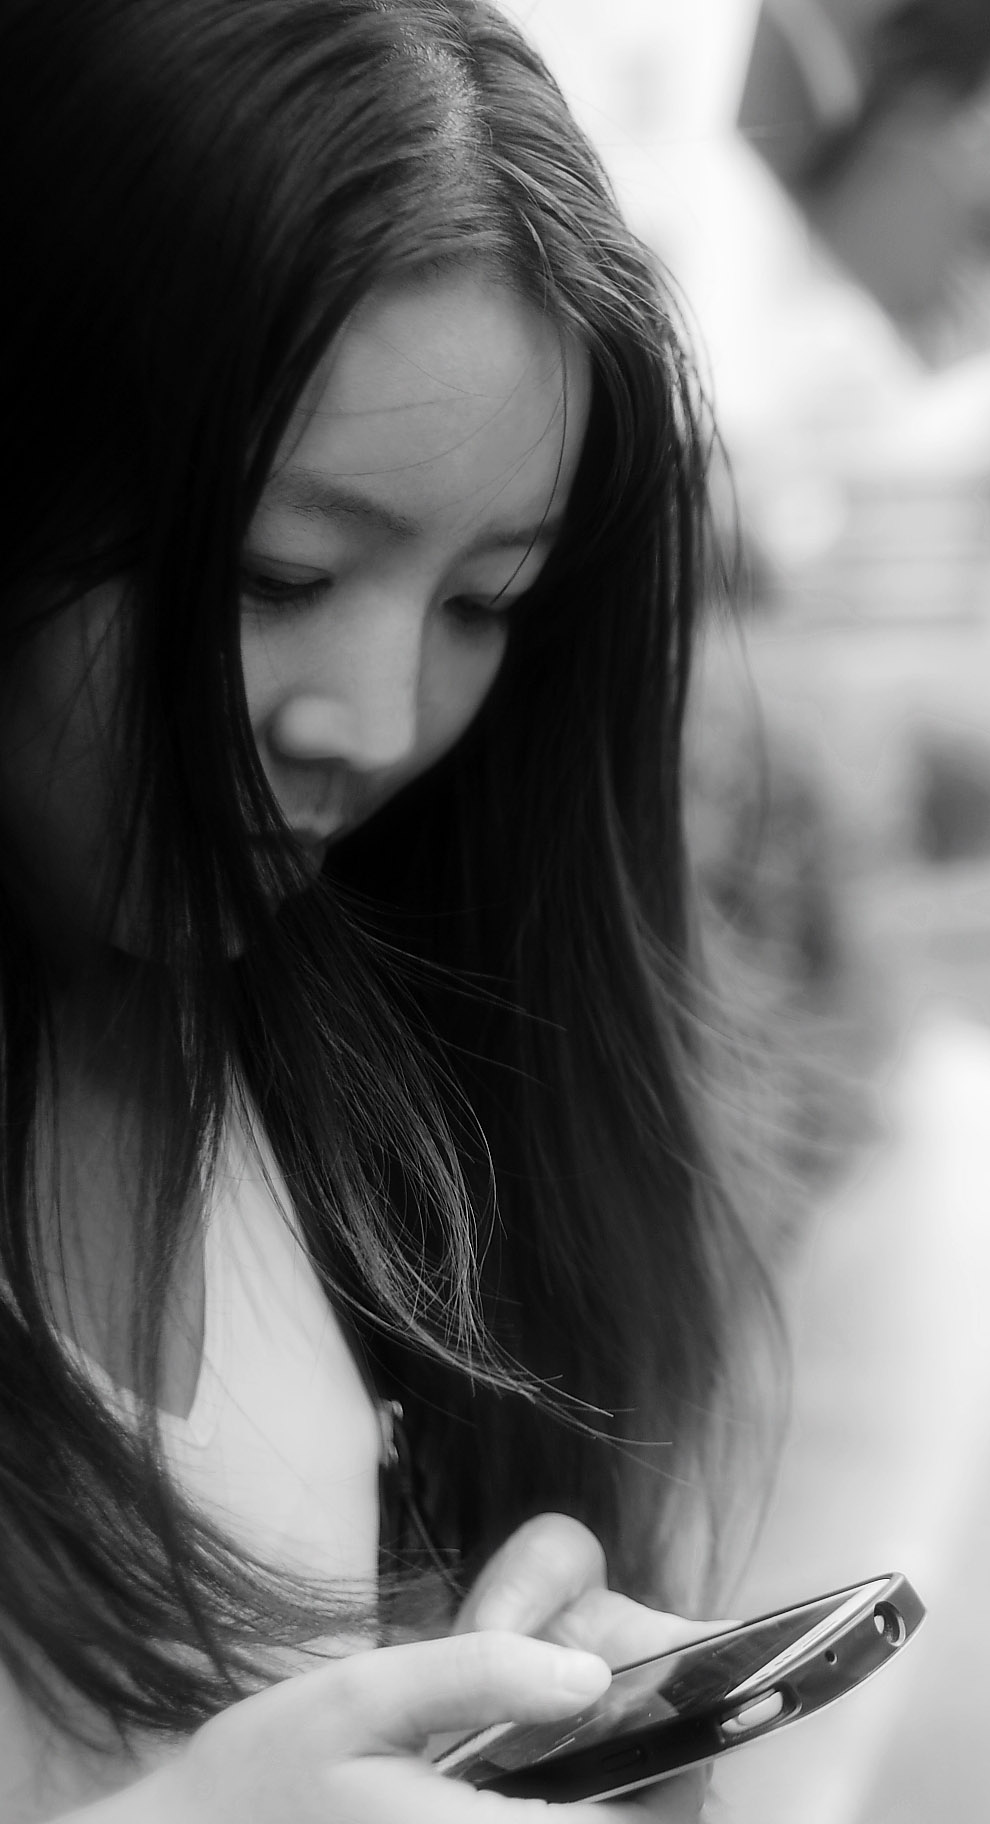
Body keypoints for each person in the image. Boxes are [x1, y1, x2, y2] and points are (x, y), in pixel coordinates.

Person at [0, 1, 772, 1815]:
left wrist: (533, 1733)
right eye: (282, 573)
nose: (378, 719)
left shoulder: (399, 1082)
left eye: (482, 601)